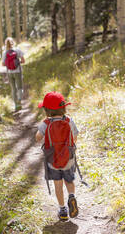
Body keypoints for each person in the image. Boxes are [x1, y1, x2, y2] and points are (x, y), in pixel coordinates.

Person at [36, 91, 79, 221]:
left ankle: (62, 210)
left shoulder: (46, 123)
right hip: (68, 158)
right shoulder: (68, 120)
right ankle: (71, 196)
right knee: (69, 180)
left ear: (47, 110)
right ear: (63, 107)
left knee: (58, 184)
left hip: (52, 160)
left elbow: (38, 138)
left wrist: (42, 135)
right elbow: (75, 137)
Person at [2, 37, 25, 111]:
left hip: (9, 72)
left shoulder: (4, 52)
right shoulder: (17, 50)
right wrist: (17, 63)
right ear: (13, 42)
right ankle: (19, 100)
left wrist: (9, 64)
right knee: (20, 87)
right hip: (18, 71)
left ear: (6, 44)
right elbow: (23, 60)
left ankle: (16, 105)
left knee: (13, 89)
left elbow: (3, 64)